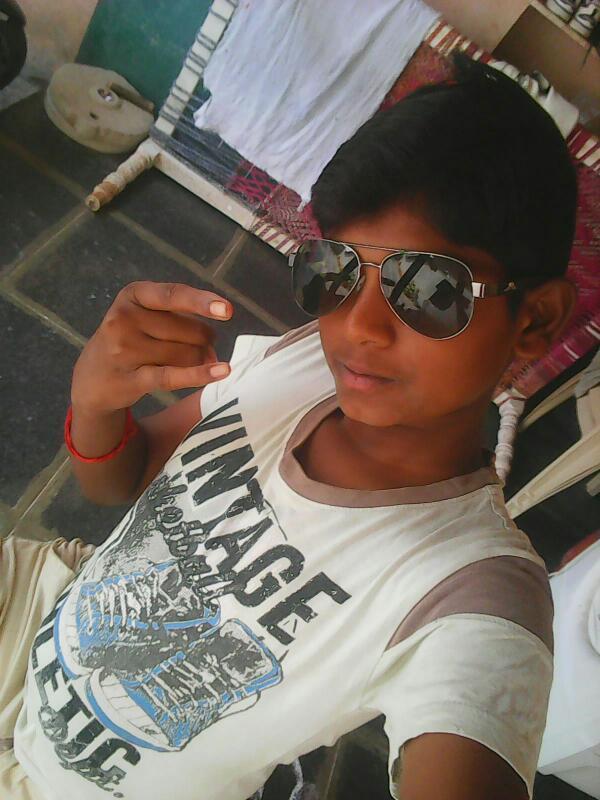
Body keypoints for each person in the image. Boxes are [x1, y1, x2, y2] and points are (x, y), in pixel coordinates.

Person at [0, 52, 578, 800]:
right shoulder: (301, 361)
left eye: (430, 288)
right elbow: (122, 480)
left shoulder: (469, 593)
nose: (359, 326)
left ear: (535, 320)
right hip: (45, 606)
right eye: (336, 270)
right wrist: (96, 400)